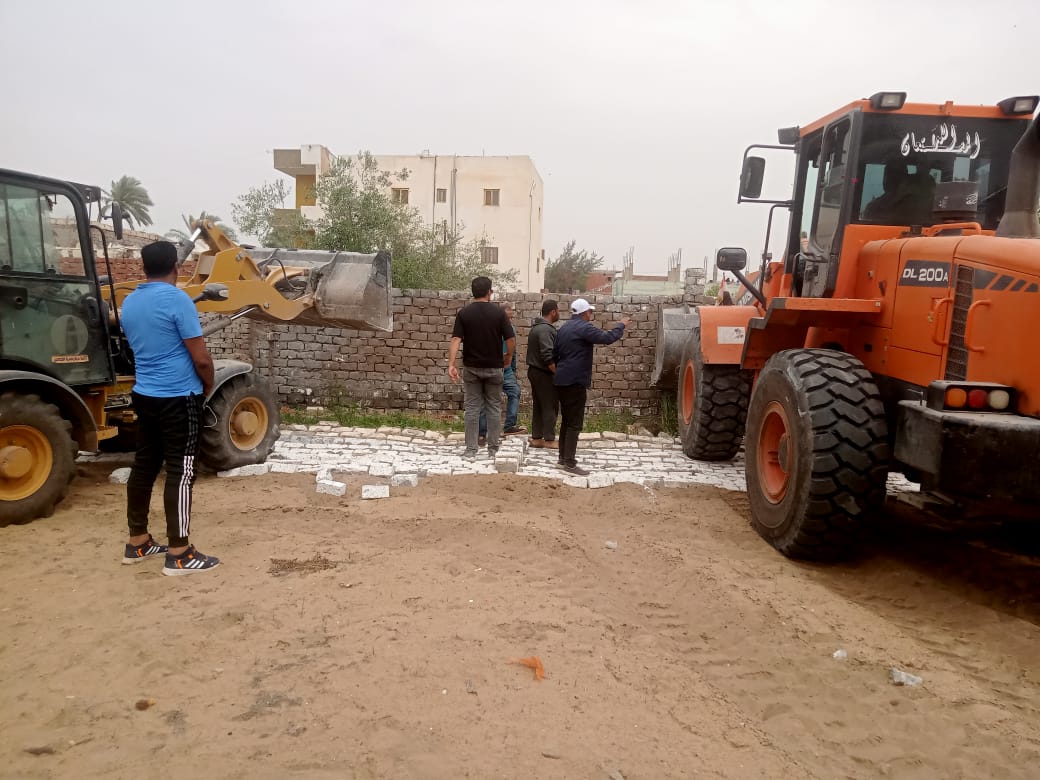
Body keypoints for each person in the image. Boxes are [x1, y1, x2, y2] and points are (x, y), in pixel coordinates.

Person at [121, 240, 220, 575]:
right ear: (176, 267)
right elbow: (201, 358)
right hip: (178, 397)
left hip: (145, 395)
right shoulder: (178, 300)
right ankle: (179, 553)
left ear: (144, 268)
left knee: (144, 466)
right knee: (181, 471)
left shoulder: (130, 302)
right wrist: (208, 384)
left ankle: (138, 542)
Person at [552, 298, 631, 476]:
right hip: (575, 382)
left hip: (561, 380)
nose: (591, 314)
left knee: (567, 421)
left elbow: (554, 354)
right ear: (584, 313)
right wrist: (621, 325)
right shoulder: (584, 328)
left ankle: (562, 459)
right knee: (574, 423)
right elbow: (607, 338)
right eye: (590, 311)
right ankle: (569, 464)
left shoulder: (563, 328)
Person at [448, 276, 515, 460]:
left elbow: (456, 339)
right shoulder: (499, 313)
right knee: (494, 407)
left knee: (472, 408)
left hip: (471, 368)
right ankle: (493, 449)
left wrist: (451, 364)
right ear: (488, 292)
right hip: (494, 368)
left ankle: (471, 450)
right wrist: (508, 356)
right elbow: (510, 339)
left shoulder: (464, 313)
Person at [479, 302, 526, 443]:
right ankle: (482, 432)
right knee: (487, 397)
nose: (509, 320)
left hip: (506, 370)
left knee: (514, 391)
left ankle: (509, 426)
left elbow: (513, 351)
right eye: (507, 317)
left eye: (511, 317)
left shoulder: (511, 329)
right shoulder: (491, 328)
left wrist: (512, 368)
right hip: (492, 367)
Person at [526, 299, 560, 449]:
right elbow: (547, 355)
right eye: (558, 311)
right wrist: (557, 372)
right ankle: (549, 439)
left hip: (535, 371)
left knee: (539, 406)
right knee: (550, 405)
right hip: (544, 373)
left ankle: (537, 438)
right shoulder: (546, 330)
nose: (559, 313)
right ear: (553, 312)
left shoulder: (536, 328)